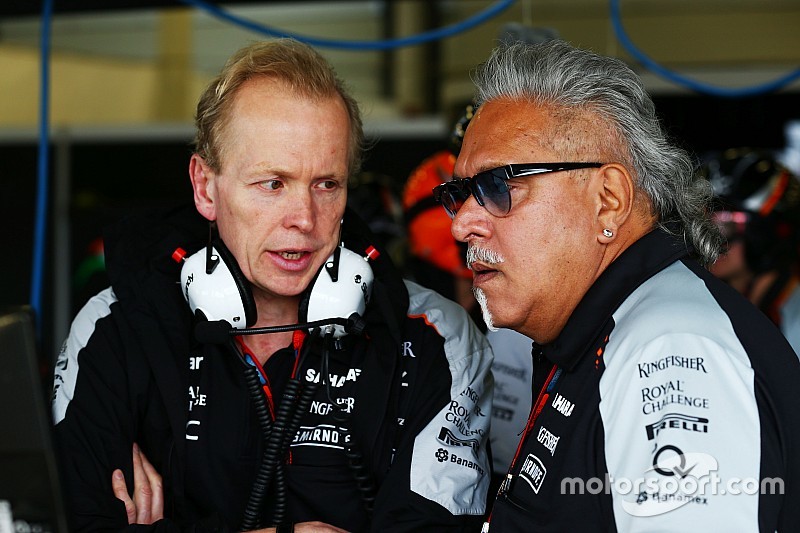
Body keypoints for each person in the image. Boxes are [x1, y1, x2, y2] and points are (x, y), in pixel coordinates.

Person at [51, 39, 493, 532]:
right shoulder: (115, 328)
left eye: (327, 184)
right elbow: (69, 522)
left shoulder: (433, 336)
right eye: (272, 184)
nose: (304, 219)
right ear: (205, 187)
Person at [433, 39, 800, 531]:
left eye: (499, 186)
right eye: (459, 195)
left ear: (608, 200)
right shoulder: (611, 330)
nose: (462, 225)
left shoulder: (670, 345)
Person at [698, 147, 800, 355]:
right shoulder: (709, 304)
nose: (709, 240)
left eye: (724, 225)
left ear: (764, 234)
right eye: (703, 224)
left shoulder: (794, 319)